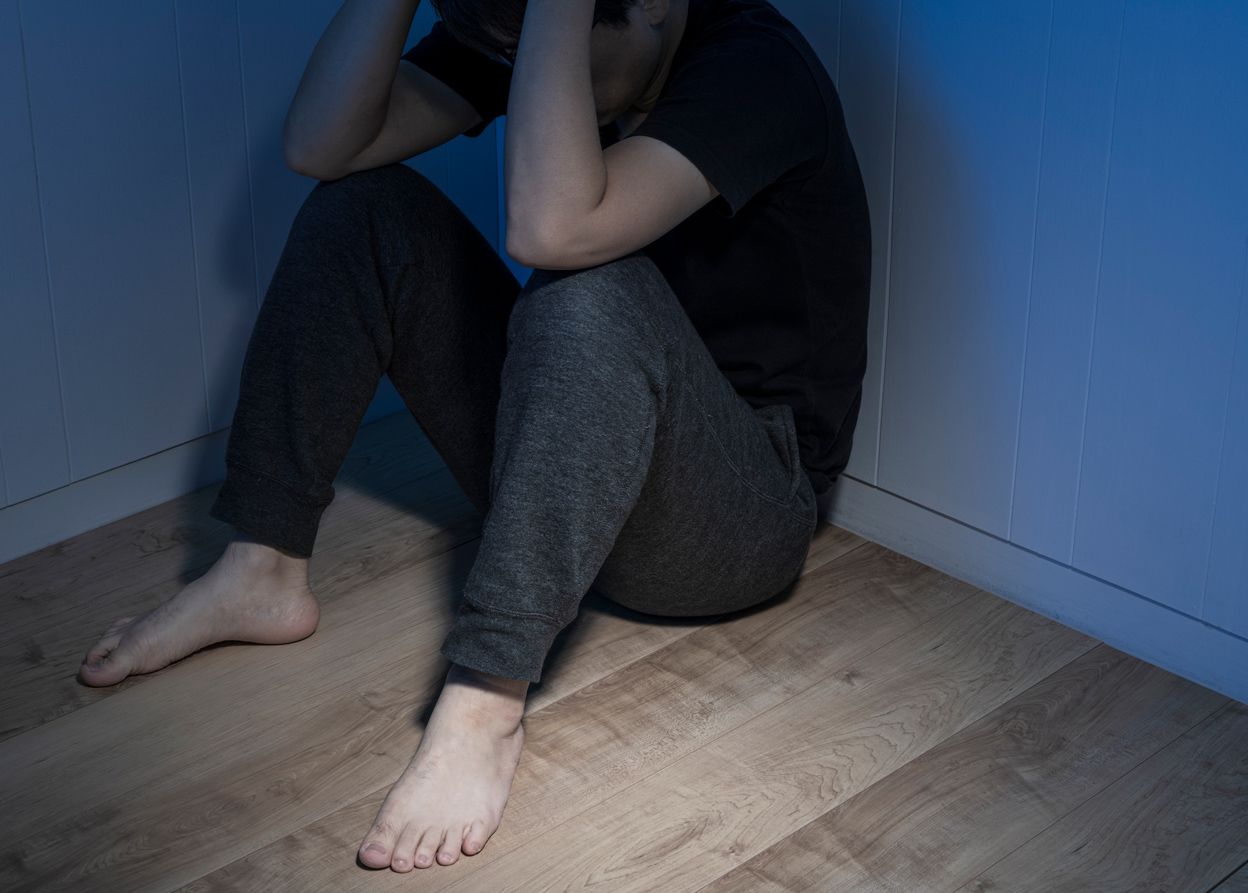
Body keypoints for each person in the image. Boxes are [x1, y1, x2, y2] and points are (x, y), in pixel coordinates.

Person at [76, 0, 870, 875]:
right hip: (571, 459)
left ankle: (487, 695)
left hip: (739, 513)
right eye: (523, 56)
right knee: (360, 207)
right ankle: (260, 567)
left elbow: (552, 231)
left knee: (585, 282)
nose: (543, 81)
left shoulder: (757, 69)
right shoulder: (556, 35)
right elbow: (321, 146)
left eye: (558, 45)